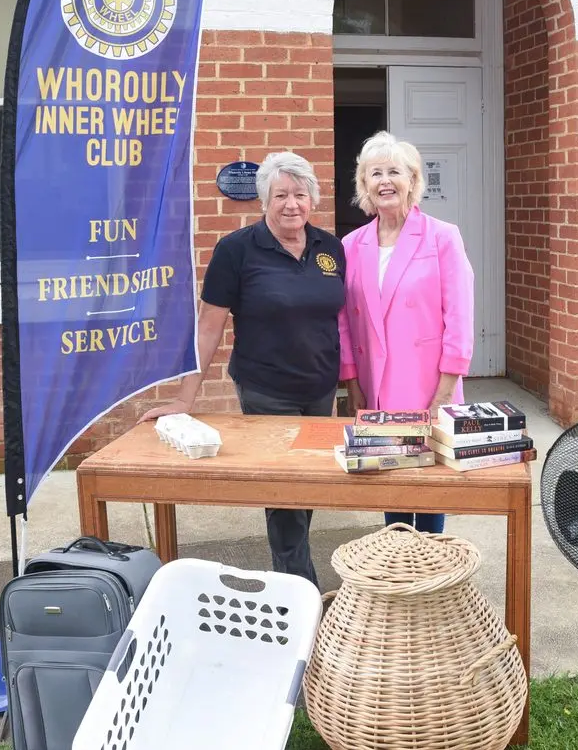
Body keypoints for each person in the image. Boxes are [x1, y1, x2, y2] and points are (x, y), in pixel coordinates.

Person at [142, 151, 345, 586]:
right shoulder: (237, 250)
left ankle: (294, 577)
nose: (292, 204)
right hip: (267, 389)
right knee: (285, 489)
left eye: (300, 194)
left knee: (305, 485)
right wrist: (184, 397)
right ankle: (300, 591)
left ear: (313, 198)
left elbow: (336, 318)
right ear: (264, 201)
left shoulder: (330, 248)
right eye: (280, 195)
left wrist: (352, 384)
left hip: (320, 388)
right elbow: (209, 326)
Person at [337, 131, 475, 534]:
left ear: (413, 181)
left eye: (393, 171)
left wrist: (445, 395)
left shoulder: (442, 237)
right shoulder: (351, 244)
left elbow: (460, 317)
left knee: (429, 487)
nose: (384, 181)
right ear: (364, 185)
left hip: (428, 387)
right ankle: (398, 564)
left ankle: (430, 564)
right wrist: (353, 386)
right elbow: (344, 320)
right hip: (375, 386)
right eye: (374, 173)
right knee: (391, 486)